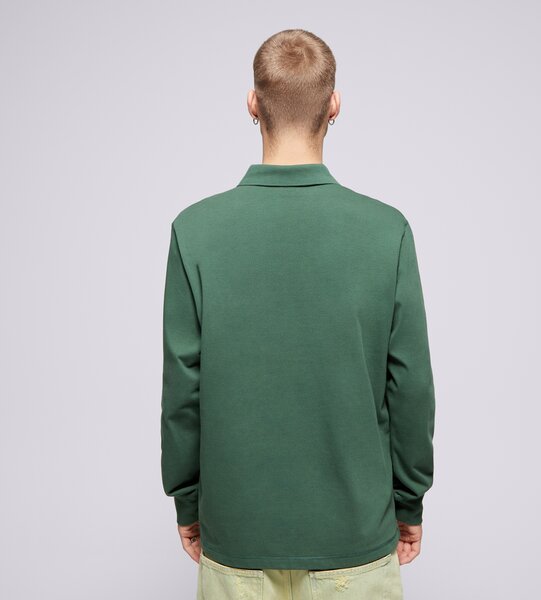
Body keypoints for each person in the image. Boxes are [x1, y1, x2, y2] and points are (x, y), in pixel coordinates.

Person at [160, 28, 436, 600]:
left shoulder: (195, 231)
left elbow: (183, 390)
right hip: (355, 541)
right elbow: (410, 386)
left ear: (252, 104)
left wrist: (189, 502)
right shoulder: (386, 231)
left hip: (236, 538)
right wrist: (408, 502)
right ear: (334, 105)